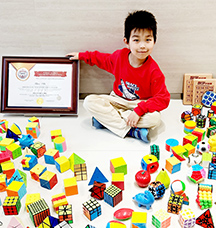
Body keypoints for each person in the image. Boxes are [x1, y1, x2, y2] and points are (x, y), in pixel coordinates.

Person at [67, 10, 170, 143]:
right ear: (127, 42)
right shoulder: (120, 57)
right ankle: (131, 130)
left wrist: (139, 111)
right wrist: (82, 56)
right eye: (136, 40)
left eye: (148, 40)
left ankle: (107, 122)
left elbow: (163, 99)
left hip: (139, 103)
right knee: (89, 102)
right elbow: (102, 59)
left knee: (155, 119)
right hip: (117, 100)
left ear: (154, 41)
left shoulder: (154, 71)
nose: (142, 45)